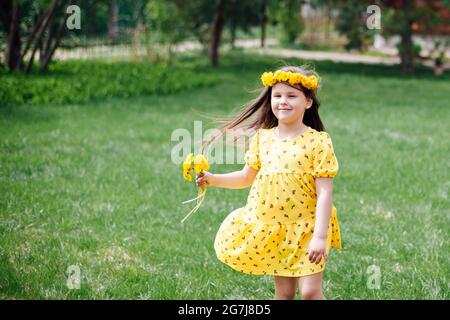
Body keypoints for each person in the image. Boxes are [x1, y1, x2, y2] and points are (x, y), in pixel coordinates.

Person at [196, 66, 342, 300]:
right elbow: (246, 177)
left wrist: (320, 236)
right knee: (283, 294)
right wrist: (213, 179)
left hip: (306, 227)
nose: (283, 101)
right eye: (278, 95)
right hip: (276, 229)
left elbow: (325, 193)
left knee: (310, 293)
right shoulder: (263, 139)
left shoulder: (318, 142)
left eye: (291, 95)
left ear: (308, 102)